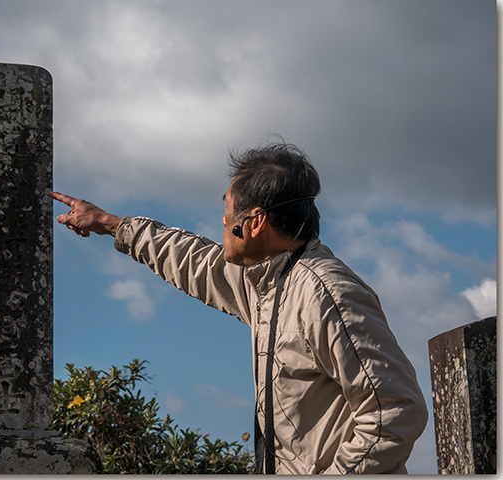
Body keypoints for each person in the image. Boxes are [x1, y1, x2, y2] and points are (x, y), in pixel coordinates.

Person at [50, 142, 427, 474]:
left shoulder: (326, 293)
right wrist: (110, 223)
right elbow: (195, 261)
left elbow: (395, 410)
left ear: (256, 221)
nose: (223, 220)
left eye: (228, 210)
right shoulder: (268, 283)